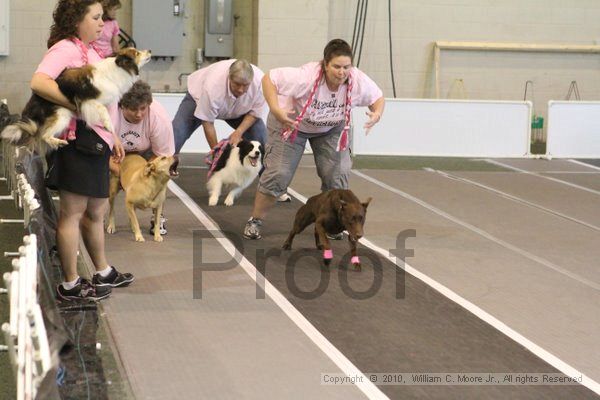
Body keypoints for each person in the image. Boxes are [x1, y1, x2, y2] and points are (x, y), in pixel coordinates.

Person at [33, 0, 133, 301]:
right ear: (77, 20)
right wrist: (74, 104)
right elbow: (39, 82)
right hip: (78, 142)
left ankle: (102, 271)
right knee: (72, 214)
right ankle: (71, 283)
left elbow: (104, 102)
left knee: (95, 211)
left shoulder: (89, 51)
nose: (103, 23)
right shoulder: (65, 48)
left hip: (97, 140)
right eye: (96, 17)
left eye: (103, 17)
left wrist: (113, 135)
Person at [243, 39, 385, 240]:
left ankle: (333, 223)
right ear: (325, 64)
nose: (341, 72)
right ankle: (255, 220)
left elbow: (377, 98)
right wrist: (276, 109)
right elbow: (268, 79)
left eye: (346, 67)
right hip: (291, 123)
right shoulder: (305, 77)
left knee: (338, 175)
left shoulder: (357, 81)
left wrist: (376, 114)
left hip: (331, 128)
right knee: (279, 174)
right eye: (336, 67)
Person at [170, 59, 267, 176]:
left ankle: (268, 184)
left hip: (240, 110)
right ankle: (156, 175)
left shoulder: (261, 84)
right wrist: (217, 154)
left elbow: (254, 113)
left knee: (261, 138)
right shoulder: (212, 87)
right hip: (199, 99)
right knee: (176, 134)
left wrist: (239, 132)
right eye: (237, 84)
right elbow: (208, 123)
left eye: (245, 85)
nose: (241, 90)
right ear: (229, 78)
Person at [108, 80, 175, 235]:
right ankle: (103, 215)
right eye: (132, 109)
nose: (139, 114)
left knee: (162, 174)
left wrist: (142, 173)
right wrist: (121, 171)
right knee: (107, 185)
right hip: (113, 150)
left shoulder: (159, 119)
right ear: (121, 105)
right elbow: (98, 151)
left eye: (143, 108)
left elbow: (162, 156)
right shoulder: (109, 114)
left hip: (148, 151)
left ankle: (158, 218)